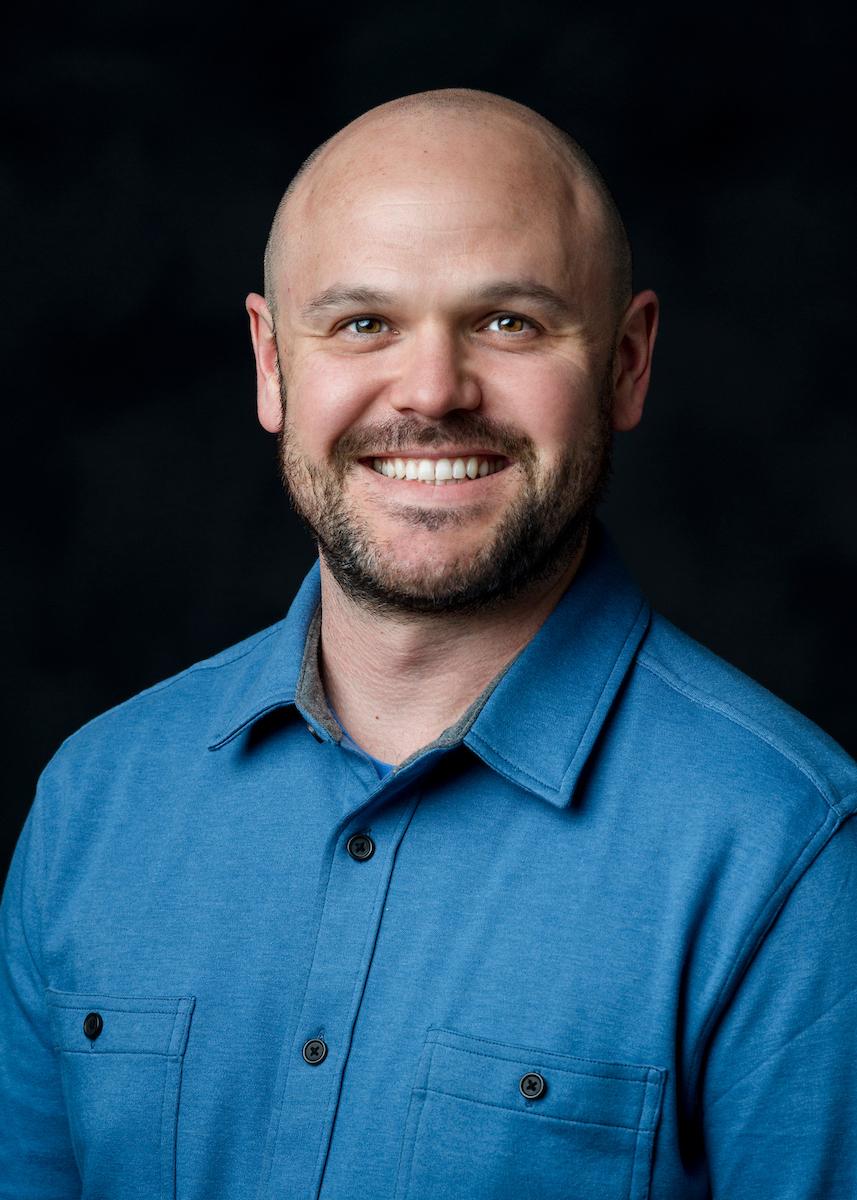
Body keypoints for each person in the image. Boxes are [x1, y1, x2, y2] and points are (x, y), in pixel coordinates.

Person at [1, 87, 855, 1200]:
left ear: (627, 361)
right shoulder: (94, 803)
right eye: (362, 322)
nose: (430, 391)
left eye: (508, 322)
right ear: (270, 363)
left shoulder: (786, 851)